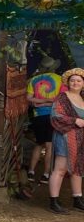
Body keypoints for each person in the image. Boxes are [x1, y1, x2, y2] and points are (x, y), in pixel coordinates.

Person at [48, 68, 84, 214]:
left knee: (77, 169)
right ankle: (53, 201)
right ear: (68, 83)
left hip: (80, 139)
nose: (75, 83)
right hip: (65, 137)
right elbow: (55, 115)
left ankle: (77, 199)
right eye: (72, 80)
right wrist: (75, 120)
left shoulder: (83, 98)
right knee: (61, 169)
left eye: (79, 80)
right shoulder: (63, 97)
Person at [25, 56, 62, 184]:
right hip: (53, 115)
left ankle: (31, 172)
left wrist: (41, 103)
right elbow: (61, 100)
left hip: (38, 115)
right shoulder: (60, 80)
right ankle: (46, 174)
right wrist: (48, 102)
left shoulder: (34, 80)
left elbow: (29, 98)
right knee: (49, 145)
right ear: (54, 68)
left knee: (39, 143)